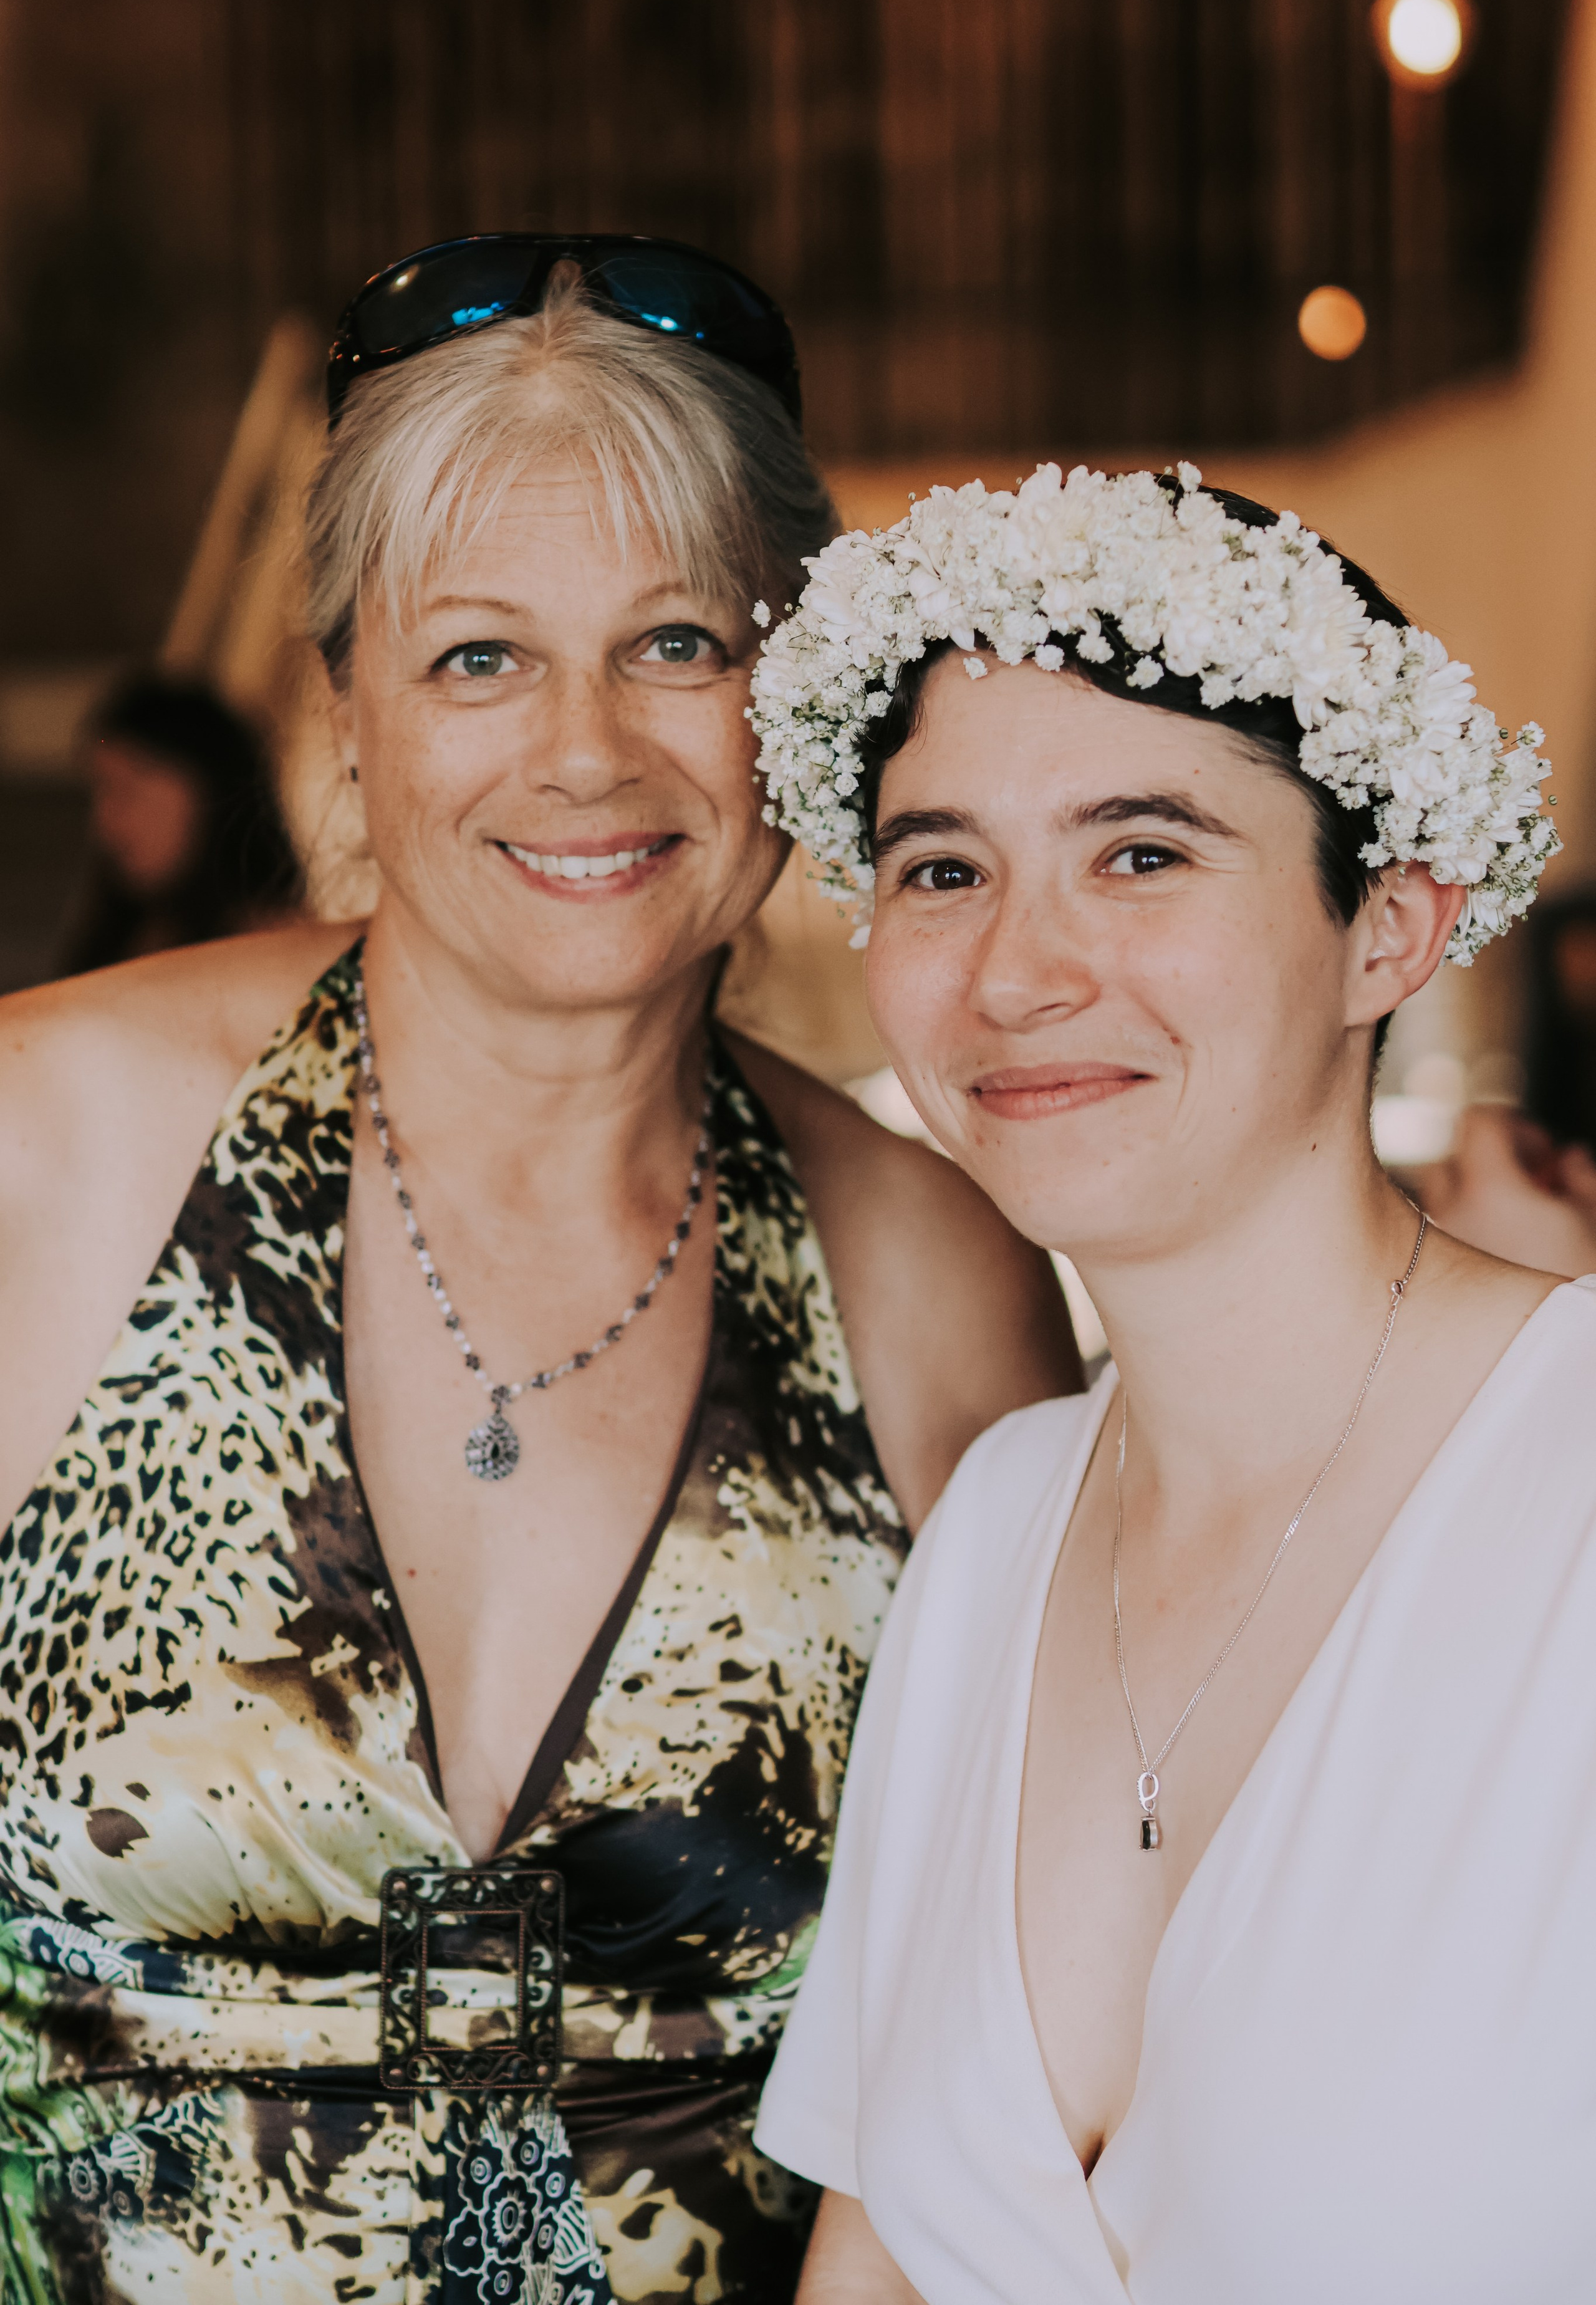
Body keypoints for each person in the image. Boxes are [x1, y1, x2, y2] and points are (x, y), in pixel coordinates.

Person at [0, 242, 1078, 2305]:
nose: (587, 752)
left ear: (795, 703)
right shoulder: (44, 1154)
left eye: (677, 643)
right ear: (346, 710)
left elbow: (997, 2079)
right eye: (480, 656)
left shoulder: (932, 1272)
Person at [747, 464, 1586, 2304]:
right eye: (941, 868)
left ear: (1389, 926)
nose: (1013, 972)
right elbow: (867, 2261)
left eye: (1140, 851)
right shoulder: (993, 1526)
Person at [61, 669, 302, 971]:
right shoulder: (135, 934)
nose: (105, 821)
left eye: (128, 791)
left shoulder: (280, 947)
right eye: (99, 793)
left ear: (209, 789)